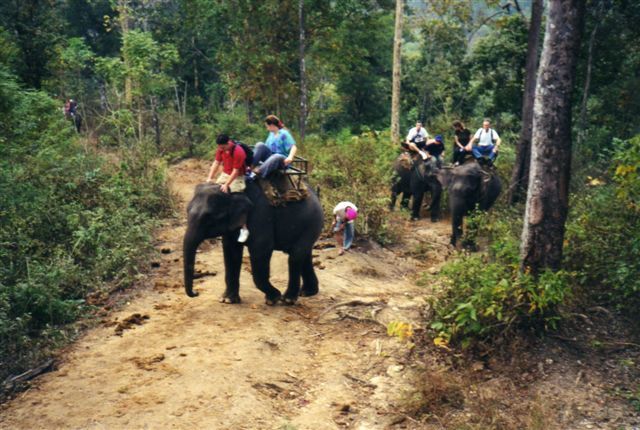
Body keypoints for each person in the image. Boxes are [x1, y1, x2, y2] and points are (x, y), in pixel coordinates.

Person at [206, 134, 250, 243]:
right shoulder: (220, 149)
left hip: (238, 176)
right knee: (214, 193)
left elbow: (236, 171)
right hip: (225, 173)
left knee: (236, 198)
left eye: (222, 147)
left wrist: (226, 185)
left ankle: (244, 228)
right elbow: (216, 163)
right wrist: (210, 177)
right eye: (219, 147)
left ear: (228, 143)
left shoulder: (238, 151)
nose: (220, 149)